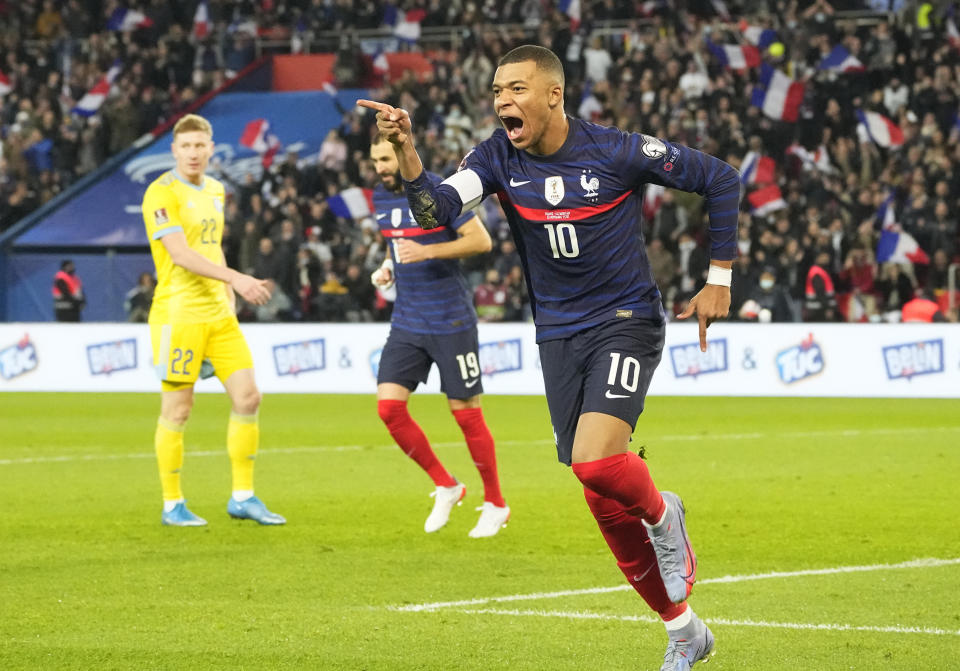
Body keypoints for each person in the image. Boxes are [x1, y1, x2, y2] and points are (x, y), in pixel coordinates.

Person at [359, 43, 739, 670]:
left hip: (625, 321)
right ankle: (684, 631)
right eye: (497, 92)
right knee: (598, 497)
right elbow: (435, 209)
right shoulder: (495, 157)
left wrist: (718, 276)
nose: (503, 101)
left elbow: (719, 178)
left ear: (554, 94)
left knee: (595, 465)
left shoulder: (617, 150)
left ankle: (662, 510)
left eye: (515, 90)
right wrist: (406, 149)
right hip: (558, 335)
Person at [140, 113, 285, 527]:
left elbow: (212, 247)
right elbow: (181, 254)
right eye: (185, 146)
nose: (193, 153)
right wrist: (237, 278)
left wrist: (228, 297)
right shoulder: (160, 193)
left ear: (210, 148)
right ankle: (172, 504)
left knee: (248, 398)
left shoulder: (217, 190)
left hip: (218, 314)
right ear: (174, 150)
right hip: (179, 314)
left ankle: (243, 497)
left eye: (200, 146)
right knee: (179, 409)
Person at [368, 134, 510, 538]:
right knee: (388, 409)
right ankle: (447, 484)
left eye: (386, 158)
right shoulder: (381, 199)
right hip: (408, 320)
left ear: (402, 155)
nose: (380, 167)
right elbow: (398, 245)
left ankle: (496, 503)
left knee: (465, 414)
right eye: (375, 159)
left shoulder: (436, 192)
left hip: (450, 321)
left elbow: (480, 241)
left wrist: (427, 253)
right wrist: (389, 267)